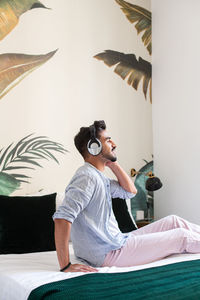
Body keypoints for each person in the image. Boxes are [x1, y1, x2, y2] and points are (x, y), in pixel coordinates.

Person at [53, 120, 200, 273]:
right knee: (182, 237)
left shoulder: (98, 177)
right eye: (108, 140)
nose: (114, 144)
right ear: (94, 147)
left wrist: (113, 163)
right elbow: (62, 218)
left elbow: (130, 192)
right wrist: (65, 265)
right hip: (107, 252)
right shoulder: (86, 177)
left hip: (116, 241)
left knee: (173, 221)